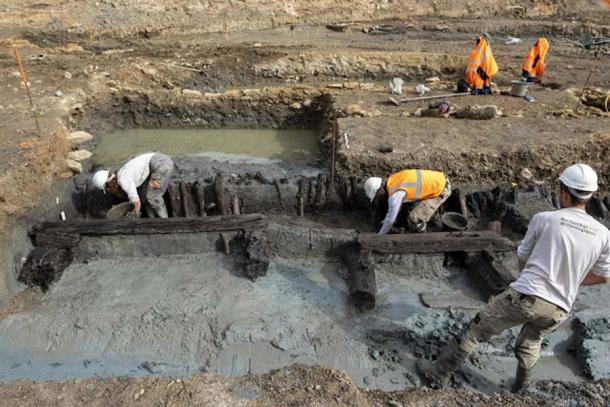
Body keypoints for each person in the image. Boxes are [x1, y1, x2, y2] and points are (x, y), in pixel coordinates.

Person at [416, 164, 610, 392]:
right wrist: (571, 279)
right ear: (589, 195)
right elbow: (604, 277)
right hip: (559, 309)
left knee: (477, 330)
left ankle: (438, 374)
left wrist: (534, 281)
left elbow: (522, 259)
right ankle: (519, 389)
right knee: (530, 343)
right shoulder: (603, 234)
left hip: (528, 296)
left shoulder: (545, 219)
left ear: (563, 192)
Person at [363, 169, 451, 234]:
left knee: (413, 218)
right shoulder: (392, 179)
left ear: (380, 191)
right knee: (407, 207)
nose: (378, 199)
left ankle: (422, 235)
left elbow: (390, 220)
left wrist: (380, 235)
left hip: (441, 189)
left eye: (377, 196)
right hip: (438, 178)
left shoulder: (395, 195)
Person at [92, 152, 174, 218]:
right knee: (144, 197)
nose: (109, 191)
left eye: (108, 188)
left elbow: (137, 203)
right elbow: (137, 199)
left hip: (161, 164)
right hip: (156, 163)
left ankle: (164, 221)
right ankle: (152, 220)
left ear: (110, 182)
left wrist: (134, 216)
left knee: (153, 196)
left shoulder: (123, 180)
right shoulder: (122, 175)